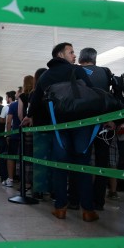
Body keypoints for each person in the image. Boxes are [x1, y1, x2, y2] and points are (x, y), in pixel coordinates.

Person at [24, 42, 99, 222]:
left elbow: (35, 102)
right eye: (71, 52)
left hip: (59, 126)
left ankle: (60, 208)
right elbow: (90, 93)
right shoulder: (77, 71)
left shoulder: (46, 76)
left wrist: (29, 116)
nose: (74, 56)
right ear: (60, 54)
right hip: (81, 123)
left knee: (59, 166)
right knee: (83, 165)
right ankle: (88, 210)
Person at [78, 47, 115, 211]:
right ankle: (98, 201)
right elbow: (111, 95)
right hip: (104, 123)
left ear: (80, 58)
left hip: (83, 123)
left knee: (81, 160)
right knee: (102, 161)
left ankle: (79, 199)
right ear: (95, 58)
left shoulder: (76, 71)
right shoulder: (106, 72)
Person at [22, 68, 52, 200]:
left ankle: (38, 190)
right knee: (51, 160)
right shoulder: (53, 90)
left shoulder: (34, 93)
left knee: (38, 161)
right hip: (53, 128)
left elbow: (31, 111)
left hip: (39, 129)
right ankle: (51, 190)